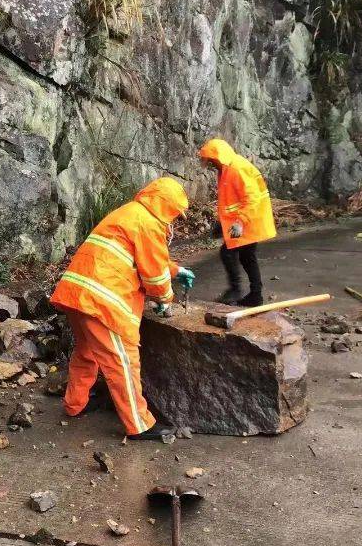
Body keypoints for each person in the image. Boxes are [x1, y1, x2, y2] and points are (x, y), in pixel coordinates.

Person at [50, 177, 195, 441]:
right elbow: (153, 276)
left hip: (76, 292)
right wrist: (165, 299)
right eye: (175, 214)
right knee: (123, 362)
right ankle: (139, 424)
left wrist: (175, 269)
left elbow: (132, 256)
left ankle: (76, 404)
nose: (174, 221)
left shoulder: (129, 212)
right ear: (167, 207)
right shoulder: (150, 224)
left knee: (86, 352)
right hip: (103, 300)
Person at [198, 138, 276, 307]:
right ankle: (255, 295)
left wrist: (240, 222)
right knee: (246, 257)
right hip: (246, 219)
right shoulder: (228, 168)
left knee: (231, 254)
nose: (211, 165)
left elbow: (252, 199)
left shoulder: (236, 169)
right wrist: (223, 224)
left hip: (249, 219)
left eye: (211, 161)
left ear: (218, 158)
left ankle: (238, 291)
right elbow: (231, 201)